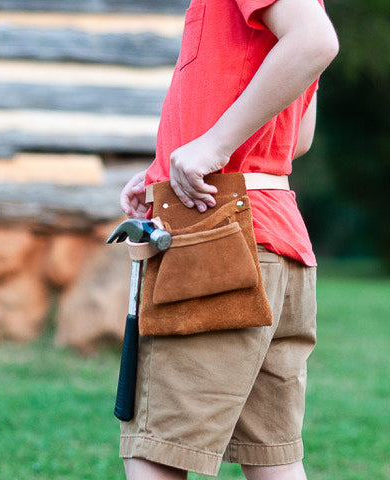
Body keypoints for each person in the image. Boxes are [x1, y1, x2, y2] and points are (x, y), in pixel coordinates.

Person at [119, 0, 339, 478]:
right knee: (273, 458)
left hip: (215, 239)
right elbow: (296, 140)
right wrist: (166, 171)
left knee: (154, 452)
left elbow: (315, 42)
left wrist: (212, 146)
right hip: (277, 239)